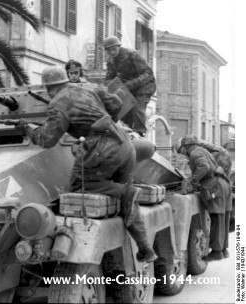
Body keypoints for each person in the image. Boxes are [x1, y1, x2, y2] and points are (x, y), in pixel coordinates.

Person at [15, 65, 157, 263]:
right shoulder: (88, 88)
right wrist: (106, 122)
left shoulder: (58, 102)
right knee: (126, 204)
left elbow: (47, 139)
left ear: (48, 88)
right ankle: (146, 248)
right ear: (65, 80)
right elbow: (115, 102)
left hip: (102, 150)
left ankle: (126, 192)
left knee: (79, 185)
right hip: (124, 144)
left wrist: (27, 129)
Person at [177, 135, 232, 261]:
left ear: (185, 146)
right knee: (223, 218)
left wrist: (191, 180)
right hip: (223, 183)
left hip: (214, 186)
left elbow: (204, 167)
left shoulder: (194, 153)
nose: (183, 154)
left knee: (216, 218)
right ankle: (223, 249)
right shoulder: (203, 150)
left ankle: (217, 252)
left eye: (181, 151)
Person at [103, 36, 156, 136]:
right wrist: (109, 86)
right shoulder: (111, 61)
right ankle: (126, 133)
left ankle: (140, 133)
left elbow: (148, 74)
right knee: (122, 109)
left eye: (114, 49)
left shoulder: (131, 55)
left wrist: (129, 84)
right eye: (109, 51)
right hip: (128, 88)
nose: (112, 52)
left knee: (137, 109)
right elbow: (110, 77)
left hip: (145, 85)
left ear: (119, 47)